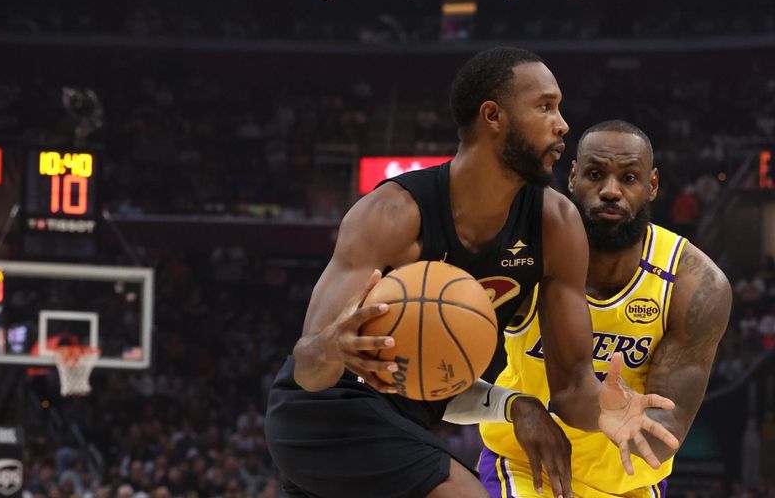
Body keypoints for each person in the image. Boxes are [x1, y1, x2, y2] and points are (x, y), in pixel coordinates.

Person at [265, 49, 679, 498]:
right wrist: (331, 346)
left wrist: (604, 409)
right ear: (492, 116)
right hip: (327, 413)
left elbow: (571, 386)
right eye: (545, 106)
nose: (562, 124)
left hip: (407, 424)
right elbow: (308, 372)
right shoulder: (392, 214)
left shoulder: (556, 224)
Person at [479, 120, 732, 497]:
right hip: (528, 463)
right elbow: (444, 366)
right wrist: (513, 406)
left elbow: (665, 433)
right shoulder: (522, 256)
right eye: (596, 175)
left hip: (630, 481)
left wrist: (619, 415)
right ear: (573, 176)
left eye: (629, 178)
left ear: (652, 185)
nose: (610, 191)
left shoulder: (694, 284)